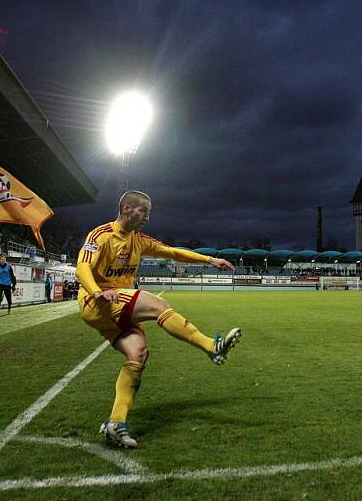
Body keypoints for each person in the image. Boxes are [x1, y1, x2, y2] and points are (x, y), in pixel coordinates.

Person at [76, 190, 242, 448]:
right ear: (127, 209)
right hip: (96, 301)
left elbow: (173, 252)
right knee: (158, 304)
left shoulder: (139, 240)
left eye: (149, 212)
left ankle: (115, 423)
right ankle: (212, 346)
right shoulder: (100, 235)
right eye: (144, 211)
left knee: (138, 354)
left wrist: (210, 259)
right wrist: (98, 291)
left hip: (116, 307)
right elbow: (82, 267)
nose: (147, 218)